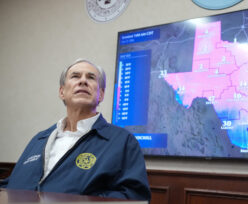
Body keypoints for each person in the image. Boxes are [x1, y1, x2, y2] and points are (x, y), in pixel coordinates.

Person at [0, 59, 151, 201]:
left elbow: (134, 197)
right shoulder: (39, 139)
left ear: (101, 94)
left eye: (91, 77)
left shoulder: (122, 141)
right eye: (75, 76)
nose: (83, 81)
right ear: (62, 92)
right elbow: (11, 184)